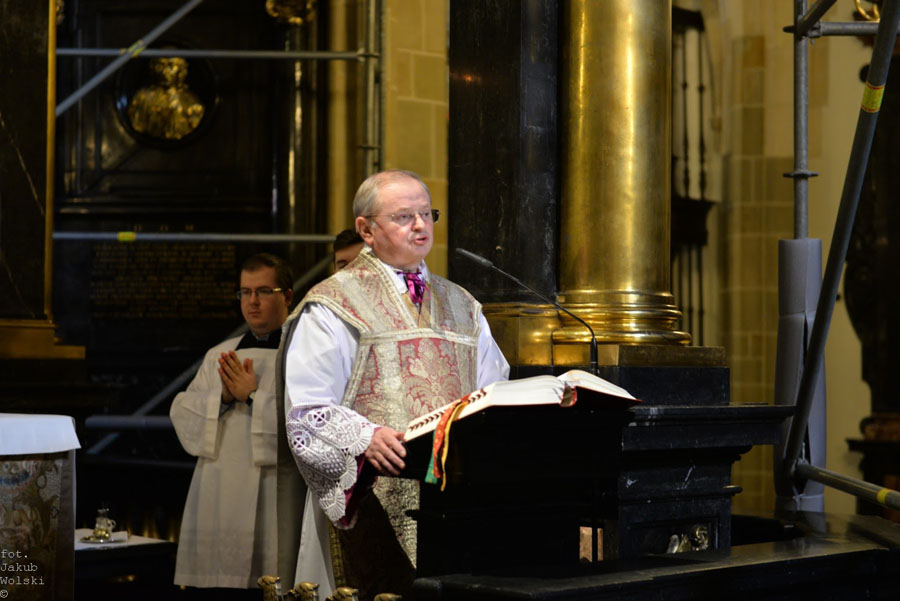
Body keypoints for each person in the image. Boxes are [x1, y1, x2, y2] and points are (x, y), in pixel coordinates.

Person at [278, 170, 509, 599]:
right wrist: (365, 436)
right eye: (404, 216)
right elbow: (307, 413)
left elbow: (493, 389)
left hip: (453, 499)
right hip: (375, 495)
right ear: (366, 230)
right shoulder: (332, 304)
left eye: (426, 214)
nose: (421, 226)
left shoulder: (462, 304)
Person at [170, 253, 293, 592]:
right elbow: (183, 412)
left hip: (274, 488)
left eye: (264, 291)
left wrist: (251, 396)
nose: (252, 302)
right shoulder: (220, 355)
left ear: (287, 296)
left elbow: (306, 423)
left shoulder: (300, 353)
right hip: (220, 488)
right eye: (245, 292)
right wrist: (223, 398)